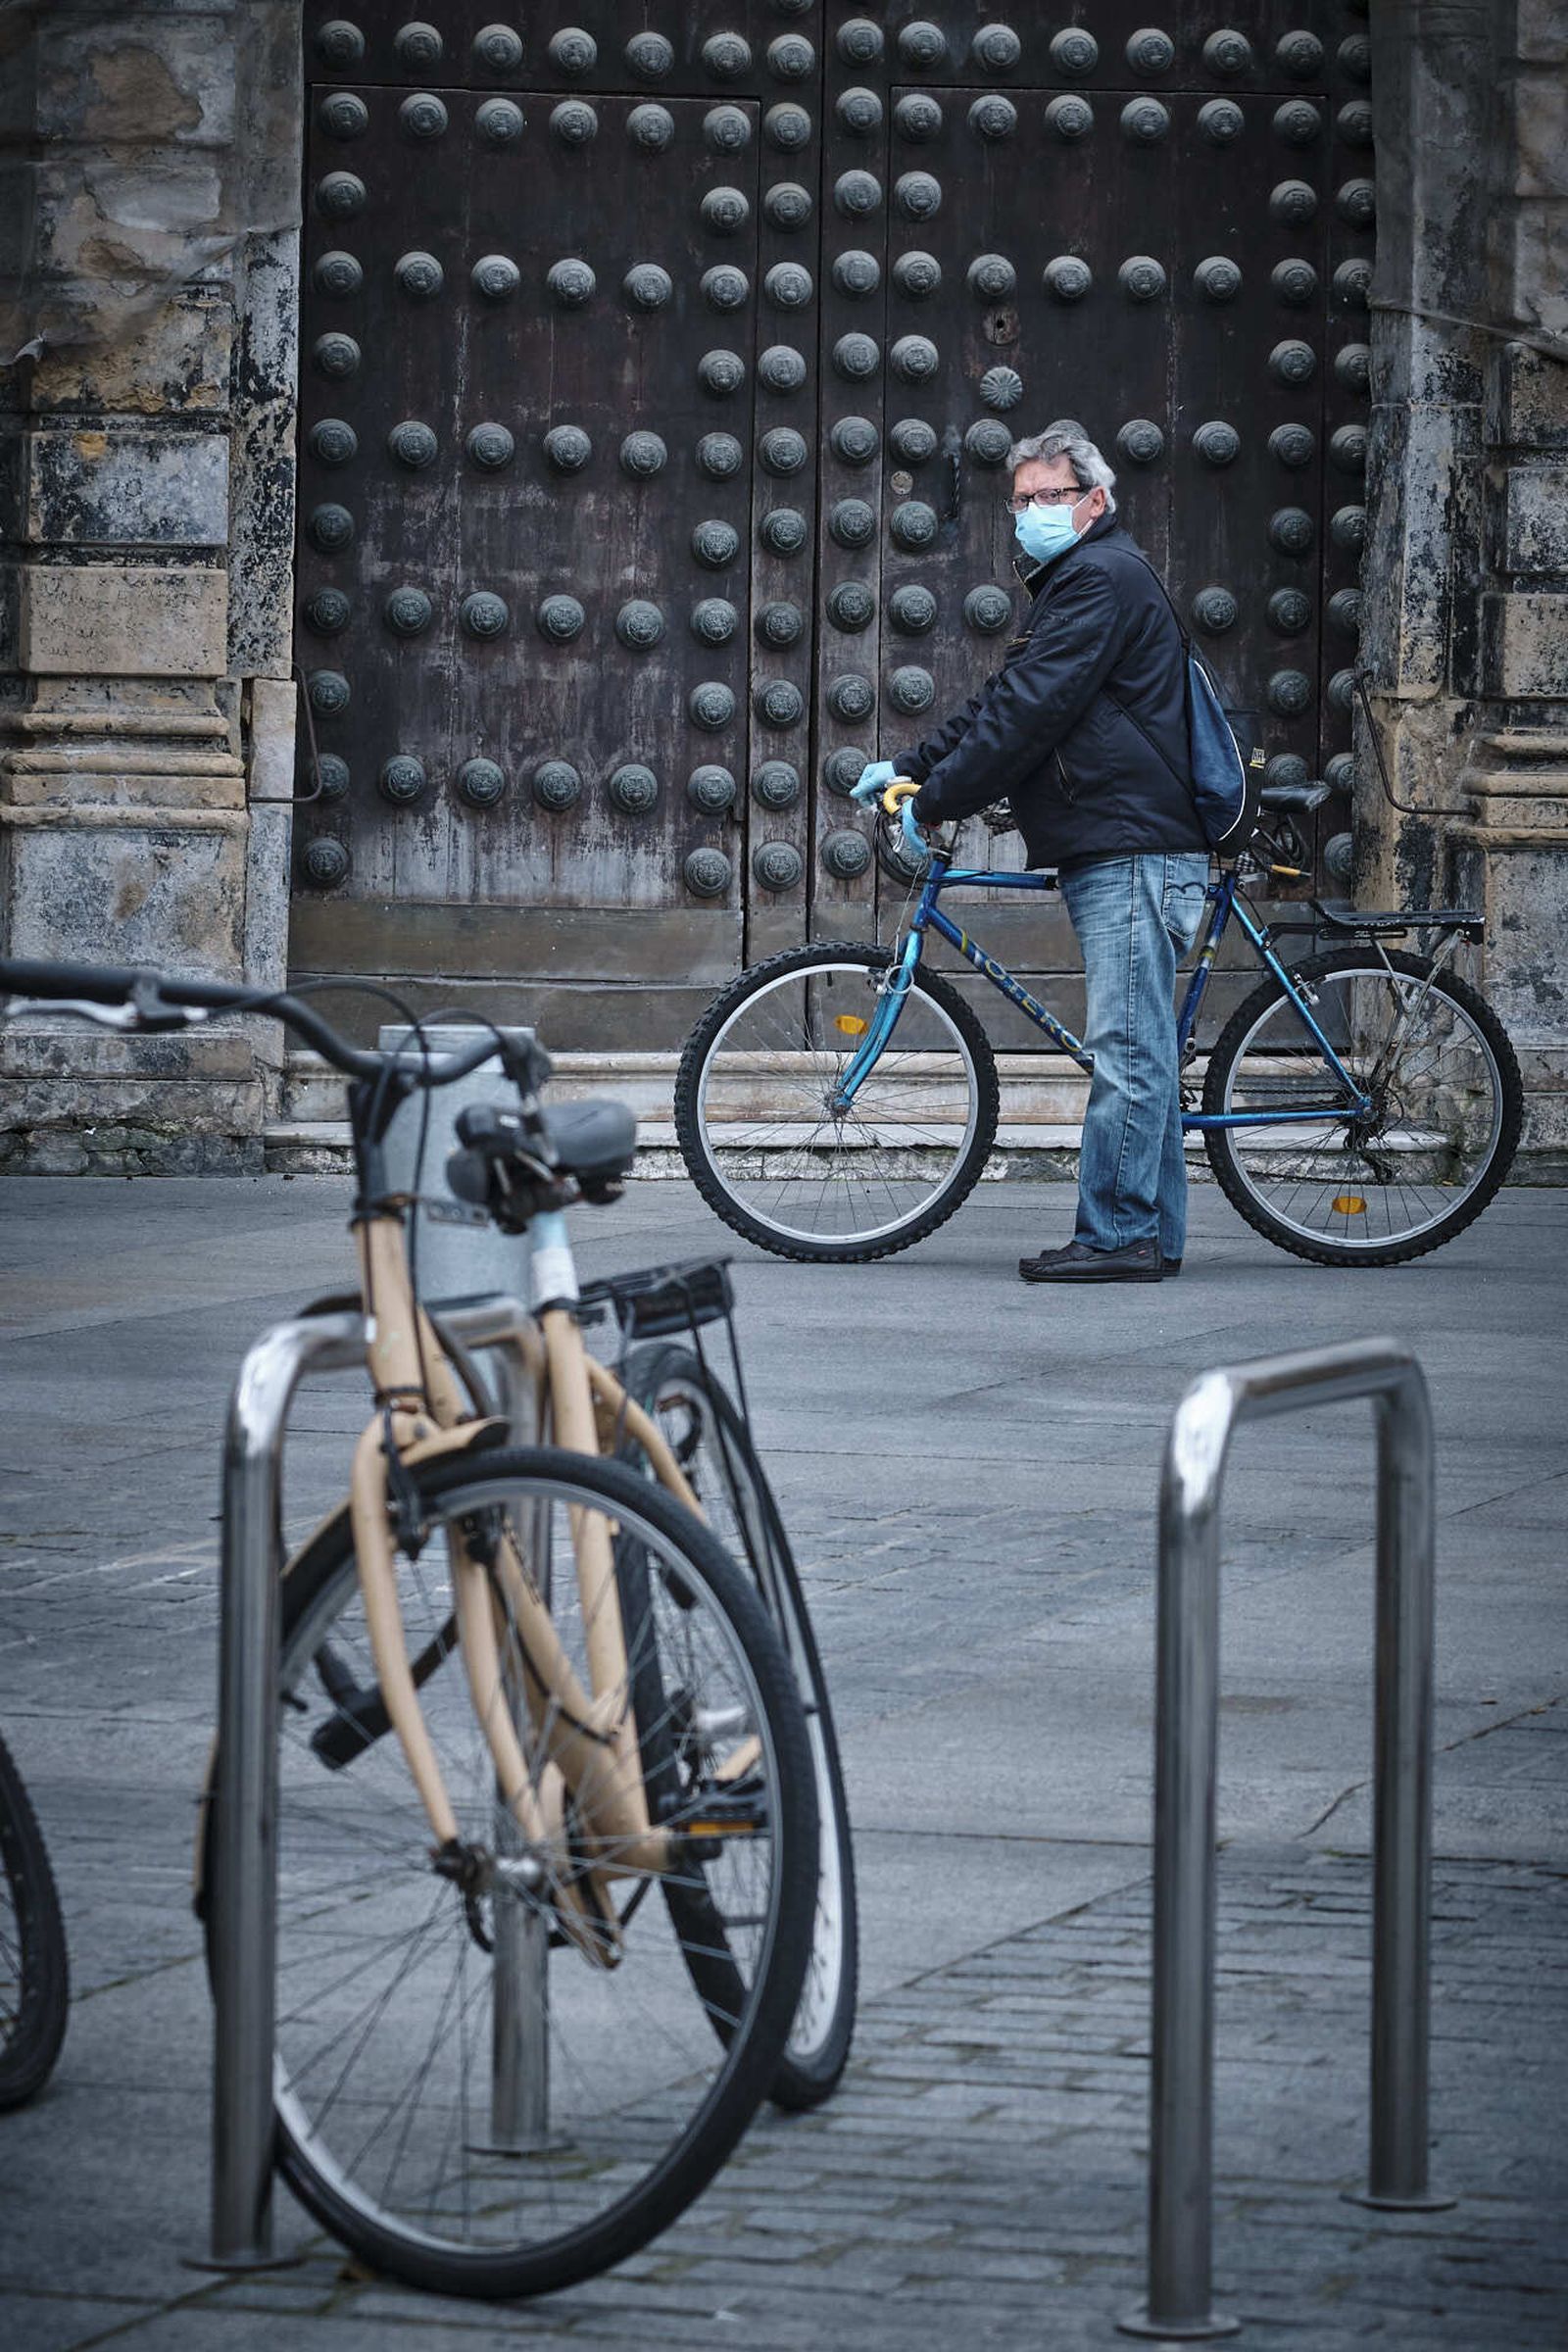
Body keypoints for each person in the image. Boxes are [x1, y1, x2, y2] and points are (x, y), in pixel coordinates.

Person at [863, 419, 1211, 1285]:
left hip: (1133, 841)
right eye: (1020, 501)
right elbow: (1005, 699)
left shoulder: (1099, 578)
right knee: (1144, 1050)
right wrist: (912, 767)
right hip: (1122, 838)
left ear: (1094, 501)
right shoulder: (1078, 583)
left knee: (1128, 1049)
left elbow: (1029, 714)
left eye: (1046, 498)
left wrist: (937, 802)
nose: (1028, 515)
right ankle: (1151, 1233)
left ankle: (1117, 1236)